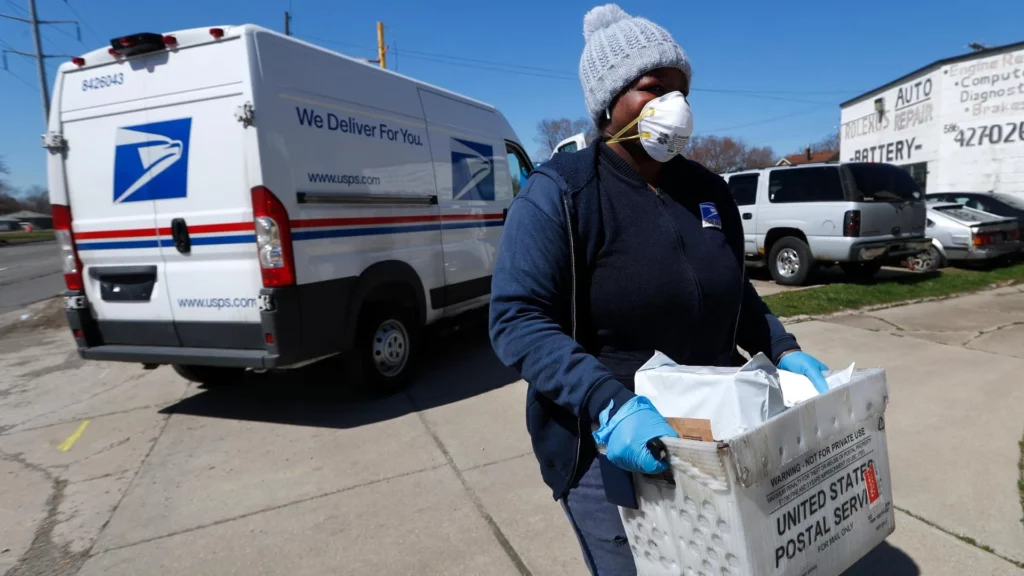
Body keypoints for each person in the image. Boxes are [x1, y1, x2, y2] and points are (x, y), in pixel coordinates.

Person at [488, 4, 831, 575]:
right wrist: (608, 406)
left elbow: (733, 291)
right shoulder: (562, 194)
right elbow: (517, 320)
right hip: (611, 449)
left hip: (718, 435)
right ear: (607, 102)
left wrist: (784, 348)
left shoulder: (707, 191)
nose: (675, 107)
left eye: (682, 92)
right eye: (653, 88)